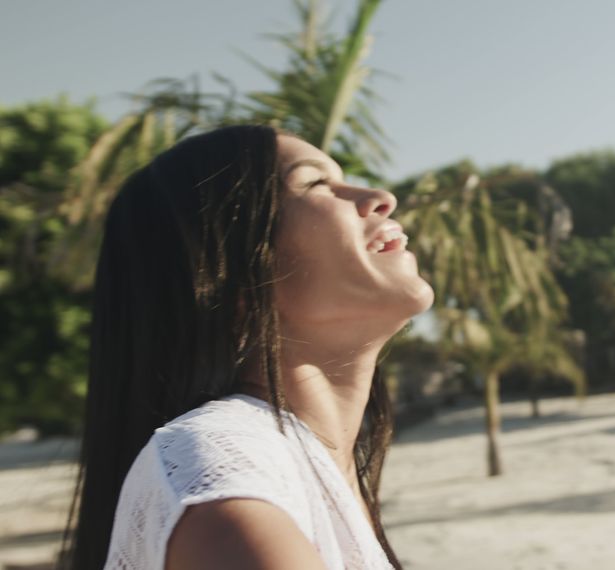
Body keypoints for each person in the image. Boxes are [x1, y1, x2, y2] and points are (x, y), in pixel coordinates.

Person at [60, 125, 434, 569]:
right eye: (316, 182)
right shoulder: (223, 471)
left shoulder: (293, 468)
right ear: (231, 279)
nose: (380, 196)